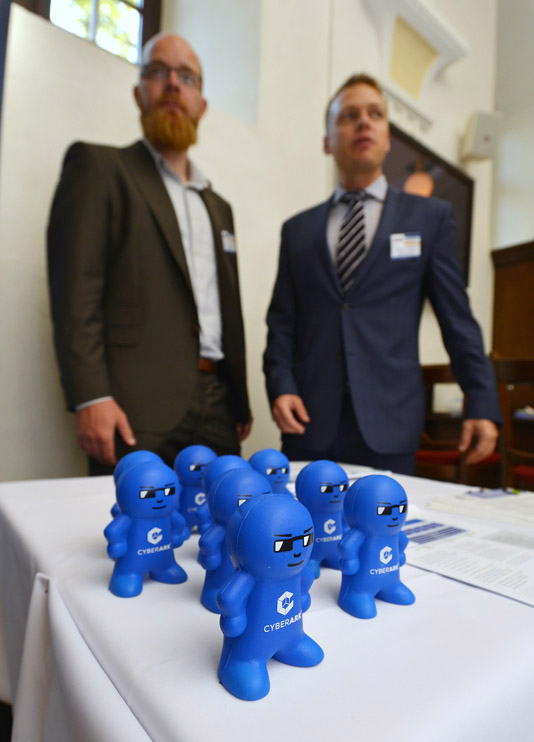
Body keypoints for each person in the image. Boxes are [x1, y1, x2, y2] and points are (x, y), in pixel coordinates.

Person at [263, 74, 500, 475]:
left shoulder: (429, 218)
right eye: (348, 115)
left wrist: (481, 400)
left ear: (388, 138)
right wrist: (280, 386)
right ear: (326, 142)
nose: (363, 122)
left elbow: (457, 319)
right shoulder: (297, 230)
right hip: (308, 422)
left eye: (375, 114)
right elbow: (281, 322)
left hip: (390, 424)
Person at [48, 33, 251, 475]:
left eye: (187, 77)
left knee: (224, 521)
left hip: (219, 408)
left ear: (202, 105)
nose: (173, 83)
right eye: (158, 72)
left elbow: (227, 307)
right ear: (139, 93)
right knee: (134, 520)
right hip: (133, 407)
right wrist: (91, 395)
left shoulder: (220, 207)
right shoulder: (99, 169)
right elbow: (75, 290)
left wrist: (240, 399)